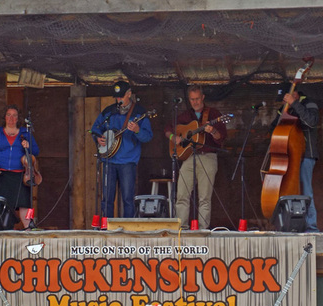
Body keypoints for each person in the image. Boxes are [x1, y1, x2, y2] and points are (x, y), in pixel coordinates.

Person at [165, 85, 227, 229]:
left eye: (197, 99)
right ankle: (181, 228)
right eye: (192, 99)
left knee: (204, 197)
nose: (195, 102)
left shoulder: (214, 114)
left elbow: (221, 138)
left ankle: (202, 230)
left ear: (203, 97)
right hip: (189, 157)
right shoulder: (186, 116)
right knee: (182, 195)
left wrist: (212, 131)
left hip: (208, 157)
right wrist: (174, 137)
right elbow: (167, 129)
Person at [91, 81, 153, 218]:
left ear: (129, 94)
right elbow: (95, 128)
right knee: (107, 199)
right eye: (117, 97)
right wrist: (97, 138)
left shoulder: (139, 112)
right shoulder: (109, 111)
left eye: (121, 97)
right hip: (109, 160)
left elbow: (148, 136)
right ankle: (106, 227)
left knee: (127, 199)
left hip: (128, 161)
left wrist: (137, 130)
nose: (118, 100)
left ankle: (128, 230)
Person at [0, 104, 40, 229]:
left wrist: (28, 146)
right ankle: (3, 230)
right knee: (2, 204)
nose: (11, 118)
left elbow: (36, 151)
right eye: (8, 115)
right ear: (4, 117)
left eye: (14, 115)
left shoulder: (25, 133)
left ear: (18, 118)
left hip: (20, 174)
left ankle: (28, 229)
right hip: (2, 174)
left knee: (23, 203)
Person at [273, 88, 320, 232]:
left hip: (306, 154)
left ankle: (311, 227)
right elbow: (274, 129)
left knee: (306, 191)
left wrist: (295, 104)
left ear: (294, 94)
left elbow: (311, 122)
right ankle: (287, 225)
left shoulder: (309, 103)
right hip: (287, 157)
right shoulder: (284, 108)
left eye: (286, 97)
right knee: (286, 191)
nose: (284, 101)